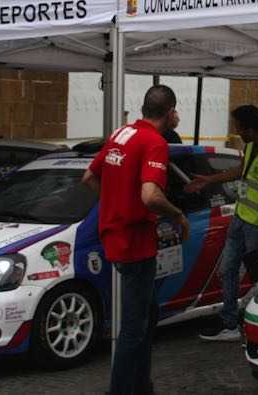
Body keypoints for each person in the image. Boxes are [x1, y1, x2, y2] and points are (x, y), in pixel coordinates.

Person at [81, 85, 190, 395]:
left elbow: (89, 177)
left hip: (115, 238)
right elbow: (150, 195)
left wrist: (115, 203)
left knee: (148, 313)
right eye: (176, 111)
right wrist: (178, 215)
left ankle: (142, 385)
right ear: (170, 112)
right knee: (133, 327)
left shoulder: (121, 134)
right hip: (135, 243)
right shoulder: (155, 142)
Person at [187, 104, 258, 341]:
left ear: (250, 129)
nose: (237, 133)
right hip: (240, 219)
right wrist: (209, 180)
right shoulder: (250, 145)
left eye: (239, 128)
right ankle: (229, 322)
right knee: (227, 270)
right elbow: (241, 171)